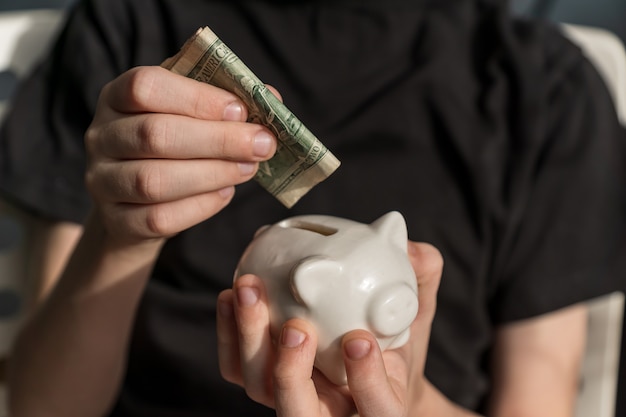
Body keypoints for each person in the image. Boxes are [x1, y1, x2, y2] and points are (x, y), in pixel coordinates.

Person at [1, 0, 625, 416]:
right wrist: (121, 235)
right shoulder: (130, 22)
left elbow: (540, 394)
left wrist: (409, 404)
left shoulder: (544, 89)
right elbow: (43, 405)